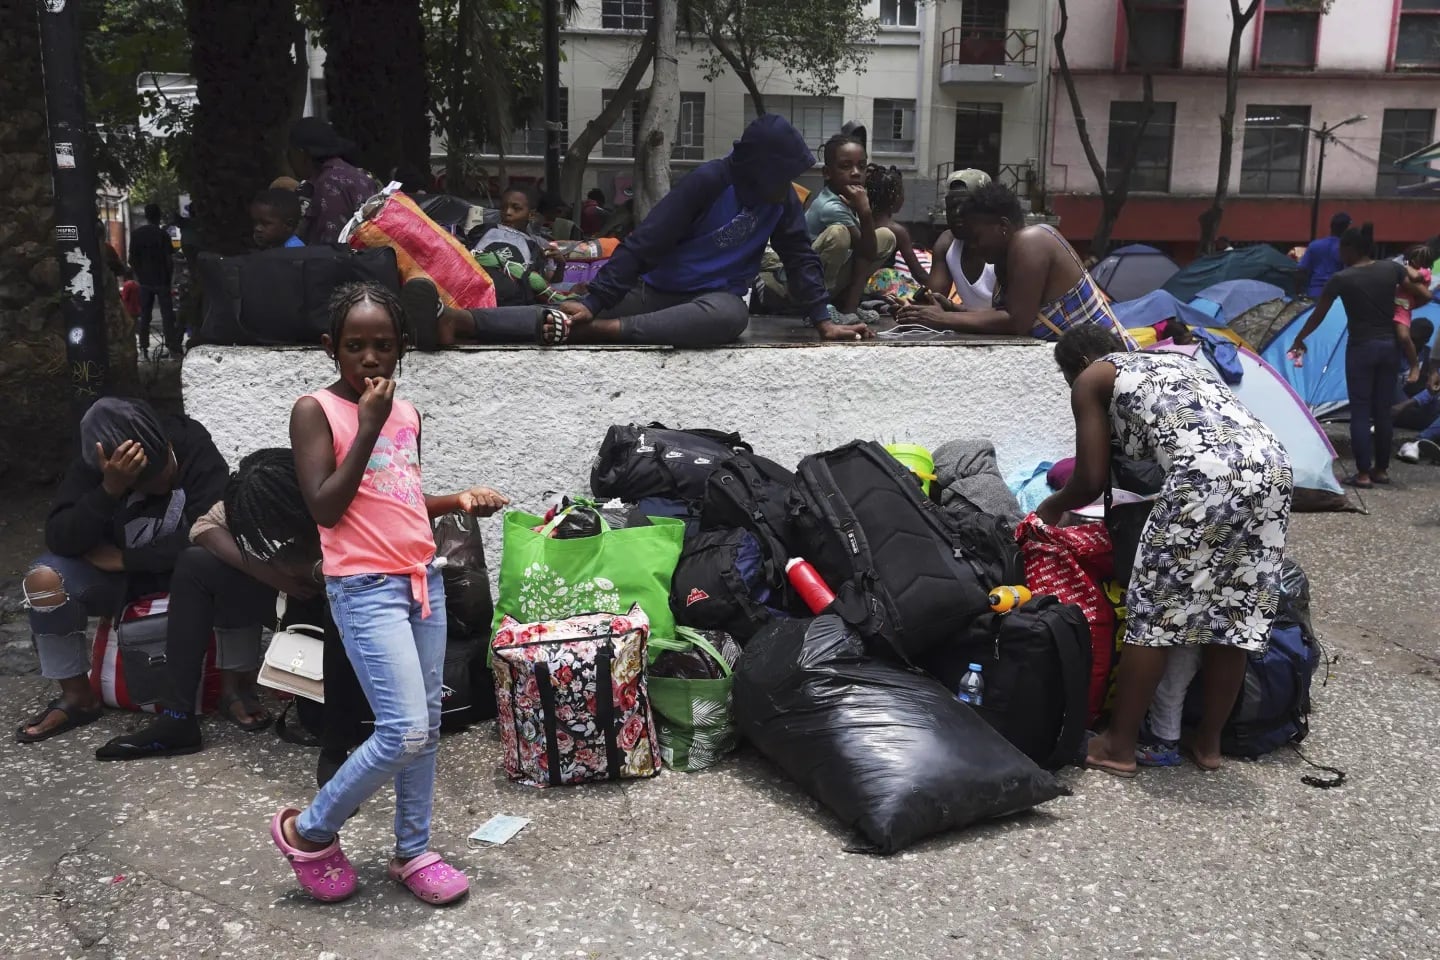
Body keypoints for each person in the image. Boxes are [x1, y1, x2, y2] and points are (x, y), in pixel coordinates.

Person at [274, 281, 508, 905]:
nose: (371, 358)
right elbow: (326, 507)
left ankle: (413, 850)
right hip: (364, 587)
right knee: (402, 729)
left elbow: (395, 493)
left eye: (384, 345)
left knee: (426, 727)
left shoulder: (406, 414)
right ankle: (309, 829)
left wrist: (454, 501)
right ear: (332, 348)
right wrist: (369, 426)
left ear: (403, 347)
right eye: (356, 346)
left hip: (421, 580)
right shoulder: (314, 410)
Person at [1036, 325, 1293, 776]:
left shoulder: (1092, 377)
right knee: (1231, 613)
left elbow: (1090, 479)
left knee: (1155, 615)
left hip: (1203, 476)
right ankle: (1209, 744)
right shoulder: (1180, 362)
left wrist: (1052, 506)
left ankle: (1118, 745)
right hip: (1271, 468)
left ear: (1076, 364)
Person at [402, 114, 870, 348]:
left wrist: (821, 317)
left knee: (732, 318)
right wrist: (594, 300)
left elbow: (799, 256)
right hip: (655, 292)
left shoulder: (780, 199)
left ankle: (608, 330)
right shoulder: (712, 180)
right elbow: (646, 242)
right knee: (569, 315)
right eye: (783, 171)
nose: (789, 182)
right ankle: (457, 321)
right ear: (759, 167)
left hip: (712, 303)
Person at [16, 398, 230, 742]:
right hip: (119, 584)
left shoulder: (192, 444)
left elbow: (213, 529)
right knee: (45, 579)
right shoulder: (99, 465)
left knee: (227, 561)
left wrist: (128, 559)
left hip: (186, 580)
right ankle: (77, 697)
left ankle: (236, 690)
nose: (154, 488)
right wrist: (109, 490)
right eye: (138, 485)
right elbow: (60, 537)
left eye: (159, 475)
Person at [94, 448, 324, 759]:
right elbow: (203, 528)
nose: (266, 533)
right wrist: (271, 574)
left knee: (321, 723)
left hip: (345, 620)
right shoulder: (262, 492)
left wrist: (310, 571)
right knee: (198, 564)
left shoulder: (332, 498)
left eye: (270, 526)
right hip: (296, 600)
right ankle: (177, 719)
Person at [898, 182, 1137, 348]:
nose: (974, 246)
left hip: (1117, 365)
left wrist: (940, 319)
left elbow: (1016, 322)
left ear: (1002, 226)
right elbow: (1003, 315)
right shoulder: (1009, 256)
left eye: (976, 236)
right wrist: (952, 309)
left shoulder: (1031, 241)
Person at [1289, 223, 1426, 488]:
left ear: (1351, 249)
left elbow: (1319, 314)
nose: (1340, 254)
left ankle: (1362, 474)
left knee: (1361, 410)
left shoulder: (1342, 278)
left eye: (1342, 249)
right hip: (1389, 346)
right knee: (1383, 409)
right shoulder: (1392, 268)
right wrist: (1405, 308)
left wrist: (1300, 337)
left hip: (1362, 348)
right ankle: (1381, 470)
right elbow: (1423, 294)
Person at [803, 131, 893, 321]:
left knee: (886, 237)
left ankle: (847, 306)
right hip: (802, 284)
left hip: (830, 280)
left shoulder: (849, 199)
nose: (855, 173)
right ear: (827, 173)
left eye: (861, 166)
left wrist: (862, 211)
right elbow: (867, 251)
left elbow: (866, 251)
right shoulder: (831, 206)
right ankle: (819, 309)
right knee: (840, 234)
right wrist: (865, 212)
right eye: (845, 166)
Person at [911, 177, 997, 315]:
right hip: (976, 332)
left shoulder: (1005, 245)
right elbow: (934, 301)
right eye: (951, 207)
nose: (956, 213)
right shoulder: (947, 243)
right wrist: (911, 310)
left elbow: (1012, 318)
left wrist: (948, 315)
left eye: (964, 207)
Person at [287, 117, 379, 245]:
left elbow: (330, 248)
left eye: (290, 153)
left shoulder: (328, 186)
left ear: (301, 154)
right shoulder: (358, 174)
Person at [861, 164, 929, 296]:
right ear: (895, 198)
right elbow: (919, 273)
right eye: (902, 193)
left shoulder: (860, 220)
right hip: (880, 284)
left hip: (856, 285)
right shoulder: (897, 231)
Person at [129, 202, 178, 357]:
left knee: (145, 315)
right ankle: (171, 346)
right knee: (167, 315)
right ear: (159, 216)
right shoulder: (162, 234)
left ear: (146, 216)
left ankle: (143, 346)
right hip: (162, 280)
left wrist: (140, 275)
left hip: (145, 282)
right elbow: (169, 259)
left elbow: (132, 259)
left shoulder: (137, 234)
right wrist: (169, 278)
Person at [1298, 212, 1352, 299]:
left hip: (1314, 293)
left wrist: (1300, 292)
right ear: (1346, 228)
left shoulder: (1314, 245)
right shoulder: (1346, 249)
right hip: (1336, 294)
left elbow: (1302, 270)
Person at [1394, 244, 1433, 330]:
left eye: (1418, 259)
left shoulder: (1425, 271)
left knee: (1402, 330)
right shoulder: (1412, 268)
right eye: (1413, 257)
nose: (1413, 260)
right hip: (1399, 299)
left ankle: (1408, 343)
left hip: (1406, 302)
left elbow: (1415, 276)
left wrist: (1406, 266)